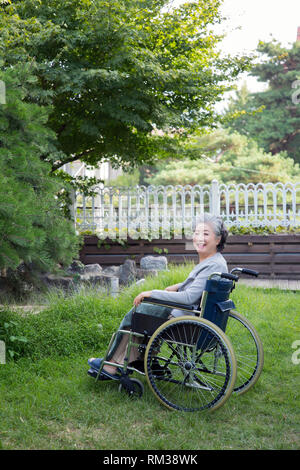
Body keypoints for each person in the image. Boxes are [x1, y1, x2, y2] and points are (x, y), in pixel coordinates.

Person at [88, 213, 228, 380]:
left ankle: (112, 366)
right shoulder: (216, 262)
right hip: (194, 316)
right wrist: (177, 286)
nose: (199, 238)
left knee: (138, 312)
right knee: (149, 310)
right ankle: (147, 360)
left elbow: (189, 297)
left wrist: (151, 293)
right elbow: (199, 286)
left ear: (218, 239)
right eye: (197, 233)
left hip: (185, 320)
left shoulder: (211, 265)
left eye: (206, 234)